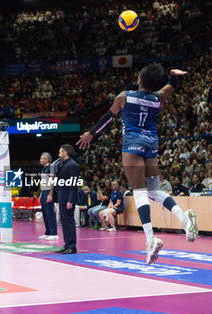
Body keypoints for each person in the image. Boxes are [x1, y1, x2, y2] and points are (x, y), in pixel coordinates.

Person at [77, 64, 198, 265]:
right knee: (153, 190)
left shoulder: (124, 96)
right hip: (151, 145)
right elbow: (171, 86)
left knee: (139, 192)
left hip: (133, 145)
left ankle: (151, 238)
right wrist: (173, 76)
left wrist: (92, 134)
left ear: (140, 79)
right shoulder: (158, 97)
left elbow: (108, 118)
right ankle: (183, 217)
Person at [48, 144, 79, 254]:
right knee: (64, 222)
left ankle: (72, 246)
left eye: (60, 152)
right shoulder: (63, 164)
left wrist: (70, 200)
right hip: (62, 197)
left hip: (67, 198)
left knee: (69, 222)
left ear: (65, 152)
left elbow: (74, 184)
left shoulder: (72, 165)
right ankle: (67, 244)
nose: (59, 154)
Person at [38, 152, 58, 240]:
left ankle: (54, 233)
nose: (40, 160)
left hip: (49, 192)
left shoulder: (51, 168)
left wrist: (50, 194)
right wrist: (41, 194)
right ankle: (48, 232)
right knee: (45, 213)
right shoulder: (43, 169)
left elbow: (53, 181)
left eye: (42, 158)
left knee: (50, 212)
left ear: (46, 159)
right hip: (44, 191)